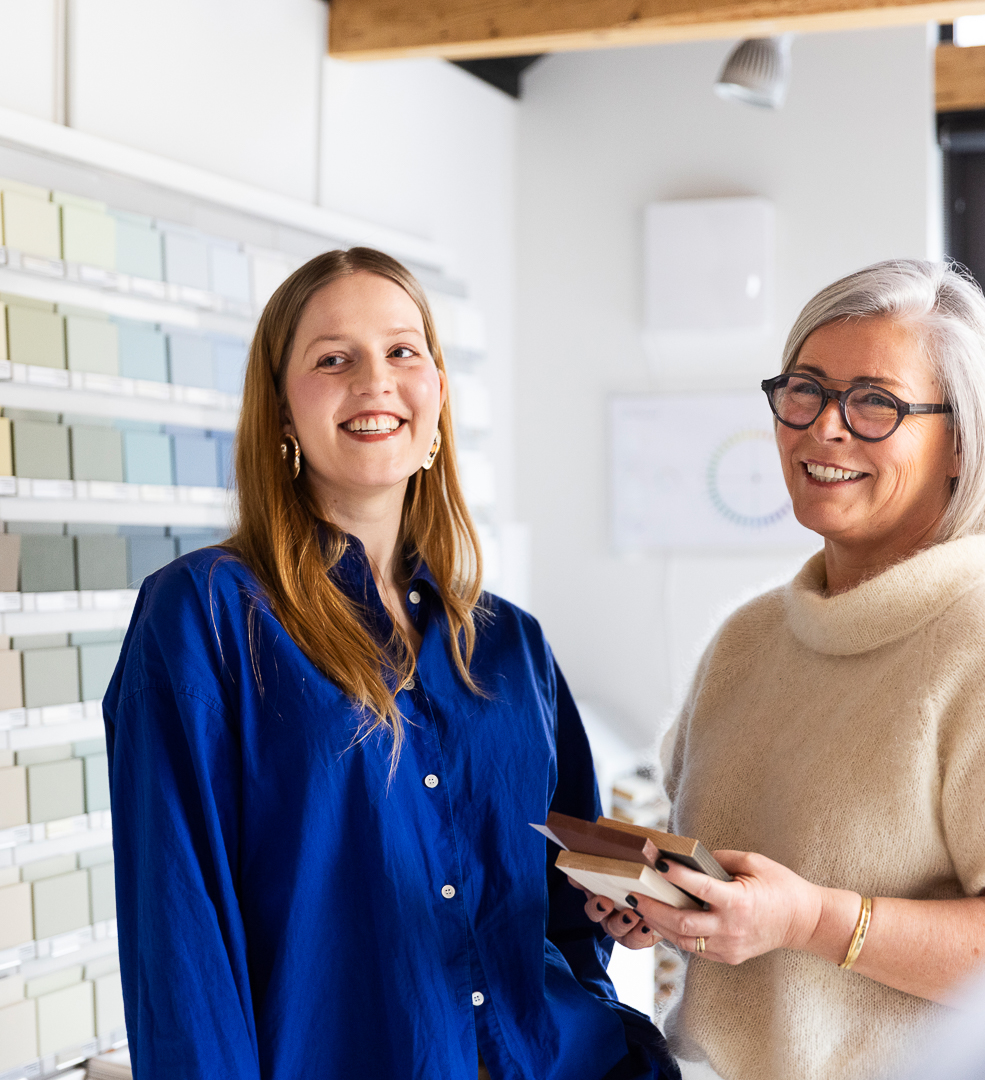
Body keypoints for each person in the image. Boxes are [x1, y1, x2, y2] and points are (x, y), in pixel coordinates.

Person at [104, 247, 678, 1080]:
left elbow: (562, 914)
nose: (374, 381)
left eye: (403, 352)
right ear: (281, 411)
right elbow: (178, 943)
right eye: (333, 359)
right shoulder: (202, 618)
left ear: (438, 395)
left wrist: (623, 904)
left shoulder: (513, 647)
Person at [582, 260, 985, 1080]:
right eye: (806, 389)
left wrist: (811, 920)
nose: (823, 429)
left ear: (961, 441)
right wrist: (659, 905)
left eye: (876, 403)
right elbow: (737, 890)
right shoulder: (748, 640)